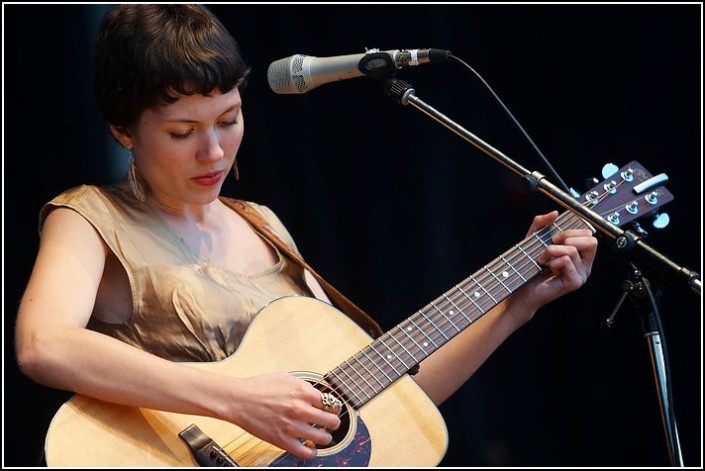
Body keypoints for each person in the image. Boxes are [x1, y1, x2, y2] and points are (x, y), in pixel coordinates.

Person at [15, 4, 597, 465]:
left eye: (228, 119)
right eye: (182, 131)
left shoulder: (263, 224)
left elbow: (384, 407)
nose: (214, 150)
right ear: (123, 131)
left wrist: (517, 306)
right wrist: (236, 400)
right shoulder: (89, 216)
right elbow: (44, 345)